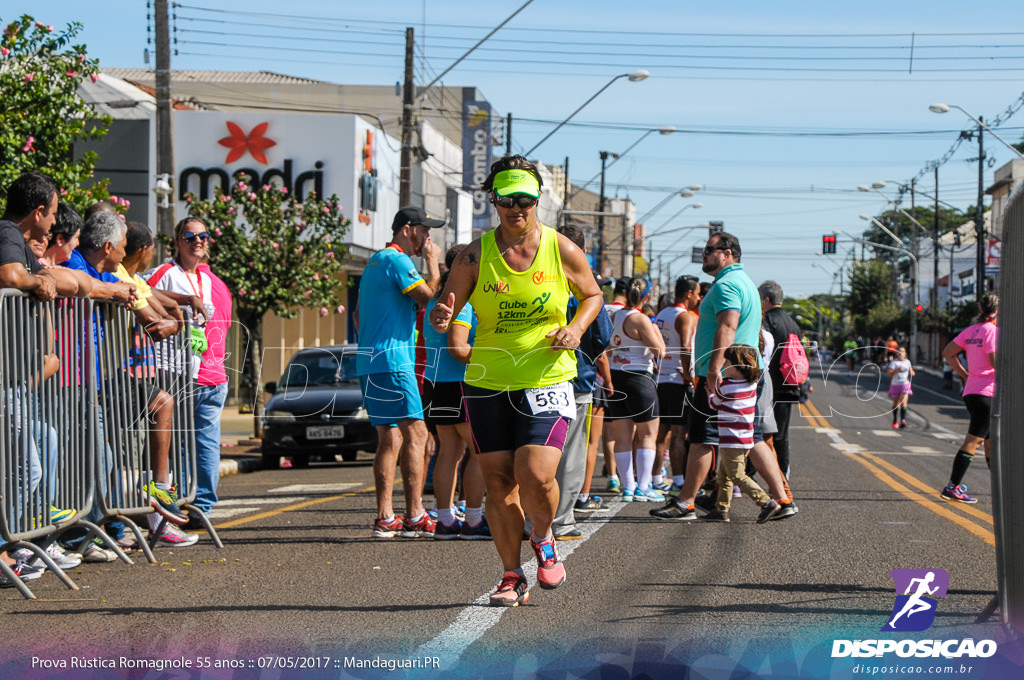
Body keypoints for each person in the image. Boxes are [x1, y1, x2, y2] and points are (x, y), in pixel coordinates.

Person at [429, 155, 602, 607]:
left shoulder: (560, 248)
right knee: (499, 482)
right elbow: (443, 308)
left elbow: (592, 295)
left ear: (538, 199)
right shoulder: (474, 254)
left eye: (525, 199)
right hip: (486, 381)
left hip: (546, 375)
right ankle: (511, 575)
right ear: (495, 201)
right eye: (508, 199)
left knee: (536, 472)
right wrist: (442, 314)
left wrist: (577, 328)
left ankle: (543, 536)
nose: (517, 208)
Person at [647, 232, 763, 521]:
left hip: (722, 375)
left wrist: (713, 369)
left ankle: (686, 502)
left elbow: (727, 326)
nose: (704, 254)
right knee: (727, 438)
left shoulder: (727, 285)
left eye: (709, 250)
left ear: (728, 253)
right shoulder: (743, 282)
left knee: (700, 438)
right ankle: (722, 502)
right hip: (737, 374)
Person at [356, 205, 443, 538]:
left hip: (370, 361)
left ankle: (385, 517)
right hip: (394, 361)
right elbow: (427, 297)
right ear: (408, 229)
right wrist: (433, 262)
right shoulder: (398, 260)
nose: (428, 237)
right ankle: (415, 515)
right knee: (417, 434)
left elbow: (357, 316)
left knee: (389, 437)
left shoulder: (374, 263)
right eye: (425, 230)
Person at [146, 217, 230, 525]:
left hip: (205, 372)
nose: (198, 241)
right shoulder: (165, 273)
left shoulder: (212, 282)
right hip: (172, 373)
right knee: (176, 443)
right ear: (177, 241)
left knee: (202, 442)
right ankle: (177, 504)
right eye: (190, 236)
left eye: (203, 236)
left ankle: (200, 507)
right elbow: (139, 292)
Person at [421, 244, 489, 541]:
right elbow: (458, 348)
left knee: (448, 452)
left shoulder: (435, 301)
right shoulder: (465, 303)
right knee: (479, 453)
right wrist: (492, 357)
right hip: (461, 383)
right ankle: (473, 519)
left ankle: (446, 519)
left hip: (435, 383)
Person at [551, 224, 612, 539]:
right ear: (581, 251)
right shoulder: (584, 282)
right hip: (578, 378)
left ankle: (528, 520)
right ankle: (561, 520)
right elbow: (602, 335)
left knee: (535, 449)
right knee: (570, 452)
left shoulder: (536, 274)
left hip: (533, 375)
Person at [703, 344, 781, 523]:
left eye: (727, 362)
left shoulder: (726, 387)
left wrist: (710, 393)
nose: (723, 365)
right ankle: (721, 509)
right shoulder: (751, 385)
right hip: (745, 439)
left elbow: (714, 404)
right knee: (724, 475)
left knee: (737, 475)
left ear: (737, 366)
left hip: (731, 439)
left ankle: (766, 502)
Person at [606, 277, 666, 502]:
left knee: (622, 436)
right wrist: (653, 327)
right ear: (646, 297)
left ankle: (628, 488)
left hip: (617, 374)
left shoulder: (614, 315)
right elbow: (659, 350)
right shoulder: (641, 319)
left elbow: (609, 348)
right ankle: (643, 486)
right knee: (648, 435)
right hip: (640, 377)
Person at [939, 293, 998, 504]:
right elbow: (993, 360)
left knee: (991, 442)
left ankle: (999, 487)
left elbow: (948, 353)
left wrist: (964, 375)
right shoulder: (992, 331)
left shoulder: (971, 330)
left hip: (972, 391)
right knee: (973, 441)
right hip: (988, 393)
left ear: (981, 310)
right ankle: (952, 486)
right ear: (997, 312)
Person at [652, 276, 700, 499]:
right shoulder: (685, 317)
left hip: (660, 377)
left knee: (661, 432)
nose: (699, 298)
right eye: (697, 293)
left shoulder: (662, 314)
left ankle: (655, 477)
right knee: (679, 433)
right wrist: (688, 372)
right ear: (688, 294)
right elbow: (686, 347)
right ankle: (679, 480)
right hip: (676, 379)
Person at [758, 281, 802, 482]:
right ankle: (783, 475)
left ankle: (749, 474)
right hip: (789, 383)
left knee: (758, 430)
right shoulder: (793, 323)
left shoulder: (766, 320)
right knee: (782, 434)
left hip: (769, 383)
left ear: (766, 300)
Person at [601, 277, 630, 494]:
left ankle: (612, 475)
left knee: (605, 432)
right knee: (624, 432)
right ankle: (620, 476)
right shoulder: (627, 313)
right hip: (619, 375)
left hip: (599, 375)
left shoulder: (604, 308)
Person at [886, 346, 915, 430]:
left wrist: (912, 372)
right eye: (899, 352)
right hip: (895, 384)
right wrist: (897, 370)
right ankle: (895, 419)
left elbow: (912, 371)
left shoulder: (907, 362)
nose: (900, 353)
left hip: (905, 384)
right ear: (896, 353)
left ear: (905, 353)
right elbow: (889, 374)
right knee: (896, 404)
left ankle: (903, 420)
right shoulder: (894, 363)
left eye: (902, 351)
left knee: (903, 402)